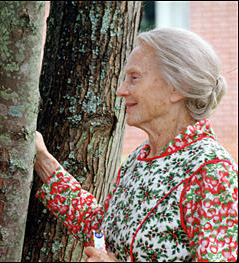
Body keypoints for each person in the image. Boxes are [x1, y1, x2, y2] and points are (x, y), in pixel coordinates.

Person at [34, 27, 238, 262]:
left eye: (134, 78)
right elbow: (102, 231)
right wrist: (43, 160)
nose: (121, 90)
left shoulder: (212, 172)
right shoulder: (141, 158)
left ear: (178, 87)